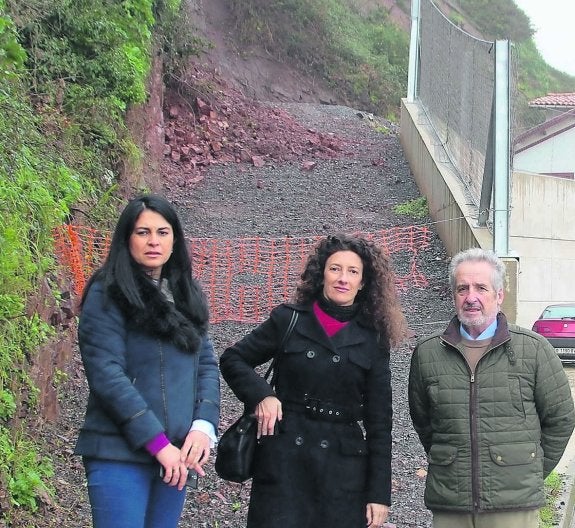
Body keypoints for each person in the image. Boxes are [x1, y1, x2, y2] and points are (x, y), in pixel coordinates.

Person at [220, 233, 408, 528]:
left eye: (352, 271)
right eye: (335, 268)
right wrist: (262, 395)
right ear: (321, 273)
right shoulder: (289, 320)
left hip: (343, 471)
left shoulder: (374, 338)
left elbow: (380, 422)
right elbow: (233, 359)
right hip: (284, 463)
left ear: (363, 282)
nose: (342, 278)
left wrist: (378, 494)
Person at [74, 195, 220, 528]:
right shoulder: (107, 293)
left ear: (175, 240)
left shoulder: (187, 294)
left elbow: (207, 365)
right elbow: (108, 376)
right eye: (142, 232)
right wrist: (158, 443)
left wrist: (203, 427)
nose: (153, 241)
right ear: (127, 239)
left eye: (162, 232)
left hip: (176, 455)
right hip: (119, 453)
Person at [408, 247, 575, 528]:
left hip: (513, 505)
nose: (471, 297)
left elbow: (560, 418)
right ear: (453, 296)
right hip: (451, 504)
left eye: (481, 288)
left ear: (499, 295)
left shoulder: (533, 349)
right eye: (462, 289)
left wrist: (529, 471)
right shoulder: (428, 353)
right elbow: (424, 421)